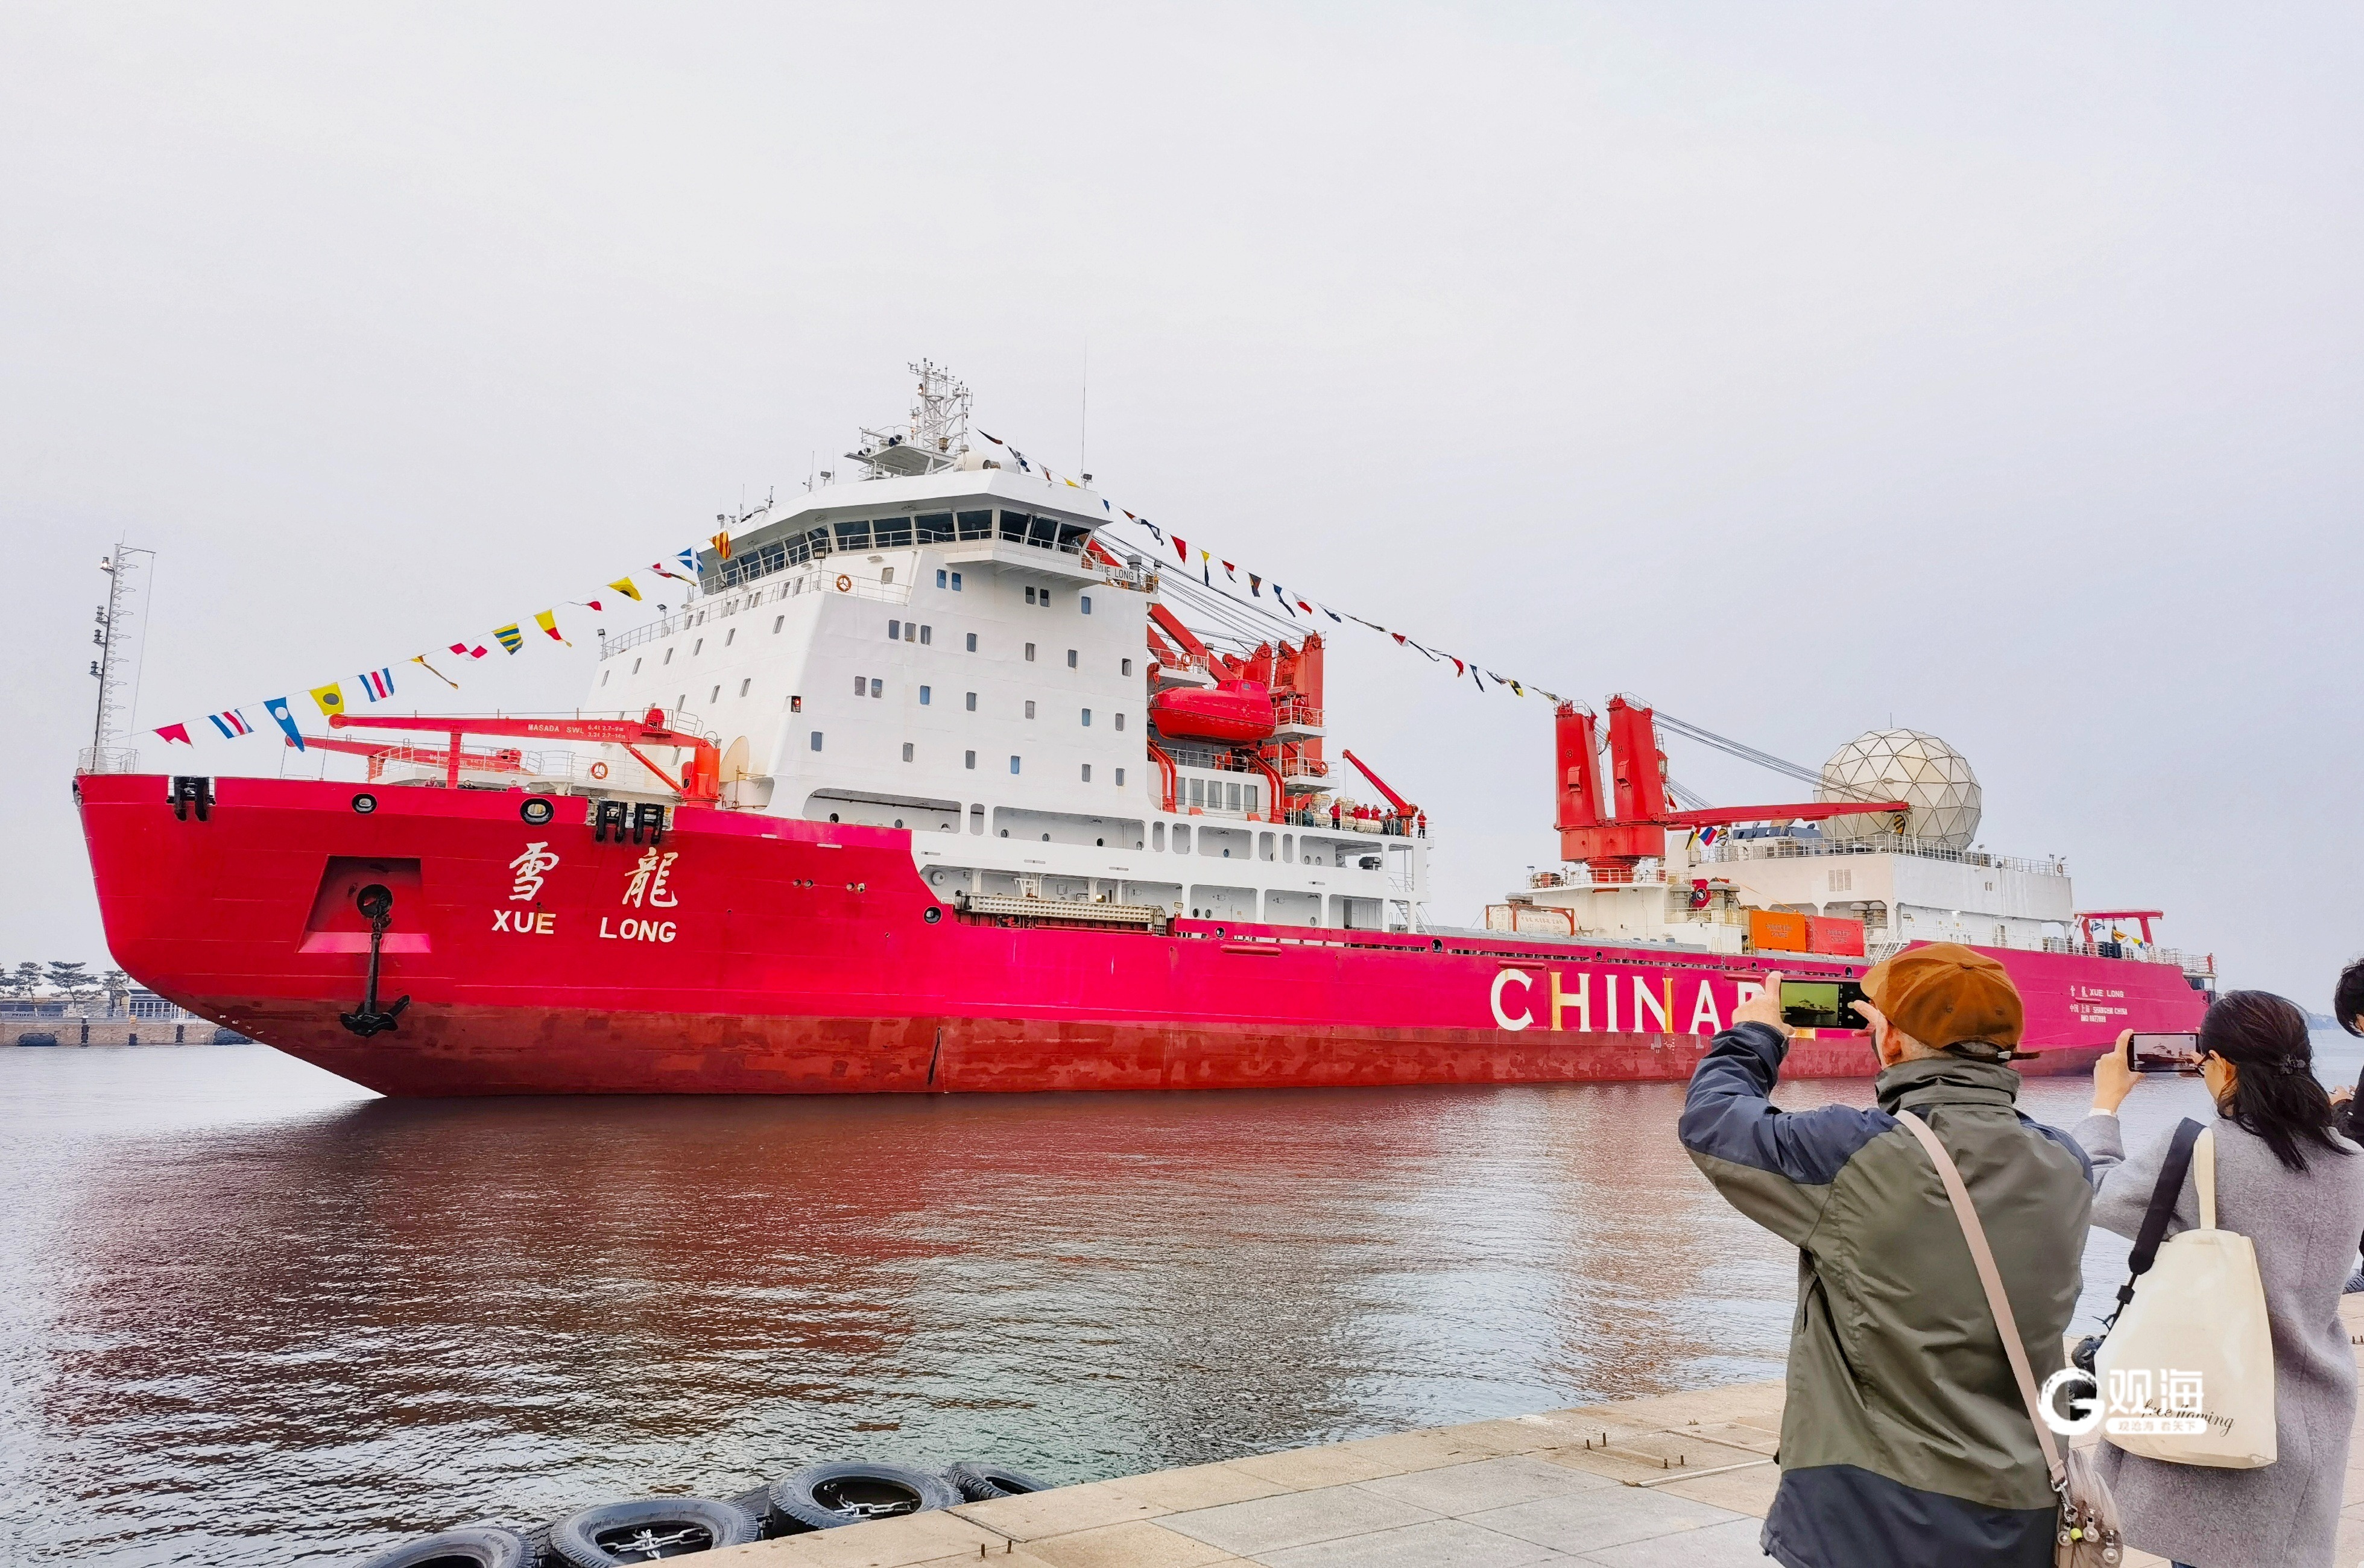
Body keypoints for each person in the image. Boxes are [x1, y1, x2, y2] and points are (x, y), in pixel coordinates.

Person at [1680, 944, 2091, 1567]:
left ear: (1891, 1040)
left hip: (1869, 1516)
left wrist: (1756, 1031)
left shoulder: (1848, 1151)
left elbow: (1712, 1121)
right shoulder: (2066, 1160)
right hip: (2021, 1509)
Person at [2077, 990, 2364, 1568]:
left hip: (2219, 1412)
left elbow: (2092, 1193)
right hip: (2314, 1413)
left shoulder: (2203, 1149)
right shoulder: (2351, 1160)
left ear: (2224, 1065)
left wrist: (2105, 1107)